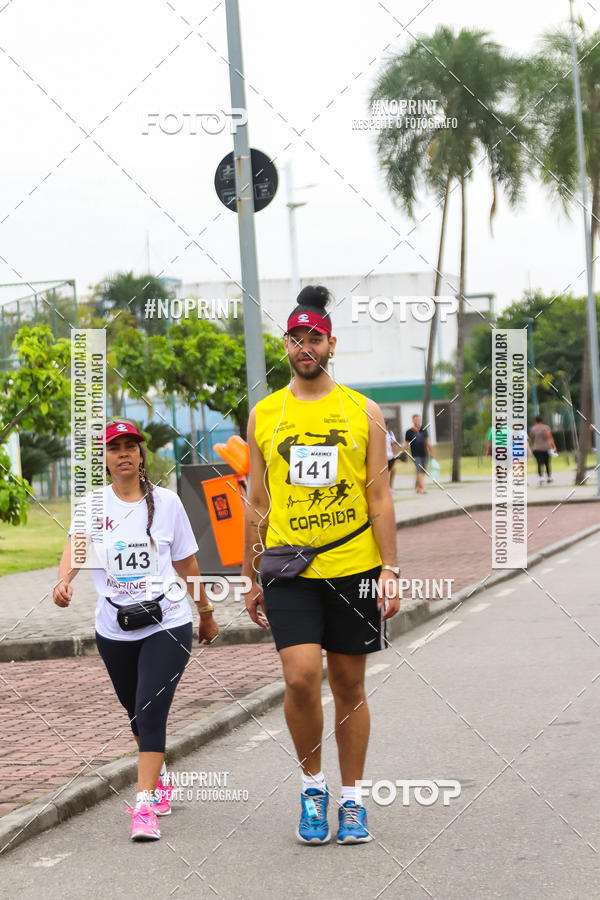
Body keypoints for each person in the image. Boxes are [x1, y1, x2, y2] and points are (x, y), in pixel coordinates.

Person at [242, 285, 400, 846]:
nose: (304, 345)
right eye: (295, 337)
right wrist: (249, 571)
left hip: (354, 567)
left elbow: (379, 497)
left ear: (332, 344)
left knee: (349, 682)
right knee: (301, 678)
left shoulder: (364, 411)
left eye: (314, 337)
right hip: (288, 572)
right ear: (285, 346)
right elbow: (257, 501)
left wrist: (391, 569)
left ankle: (352, 799)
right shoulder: (266, 413)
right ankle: (313, 788)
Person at [53, 419, 218, 842]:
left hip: (168, 622)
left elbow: (187, 564)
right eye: (114, 447)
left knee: (149, 707)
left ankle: (144, 806)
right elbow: (75, 548)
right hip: (114, 627)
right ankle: (158, 772)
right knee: (135, 712)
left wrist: (204, 610)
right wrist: (64, 580)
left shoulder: (167, 503)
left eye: (130, 446)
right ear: (105, 459)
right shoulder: (92, 506)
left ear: (141, 454)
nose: (123, 453)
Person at [403, 414, 434, 494]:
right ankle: (423, 488)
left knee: (422, 471)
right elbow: (406, 444)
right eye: (415, 419)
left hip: (424, 453)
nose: (417, 421)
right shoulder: (409, 432)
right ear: (413, 420)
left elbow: (427, 441)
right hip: (415, 455)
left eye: (418, 419)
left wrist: (431, 452)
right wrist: (404, 453)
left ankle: (417, 487)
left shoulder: (423, 430)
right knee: (419, 471)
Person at [530, 414, 556, 485]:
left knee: (539, 463)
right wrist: (554, 447)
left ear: (535, 421)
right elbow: (550, 438)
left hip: (537, 448)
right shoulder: (546, 427)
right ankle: (549, 477)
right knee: (547, 463)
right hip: (546, 448)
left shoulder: (533, 428)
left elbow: (532, 438)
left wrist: (534, 445)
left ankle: (541, 478)